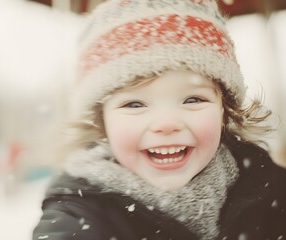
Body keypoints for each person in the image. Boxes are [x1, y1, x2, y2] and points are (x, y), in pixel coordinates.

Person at [33, 0, 286, 239]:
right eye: (134, 104)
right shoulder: (79, 214)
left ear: (224, 110)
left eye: (193, 100)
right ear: (102, 122)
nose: (166, 123)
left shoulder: (266, 186)